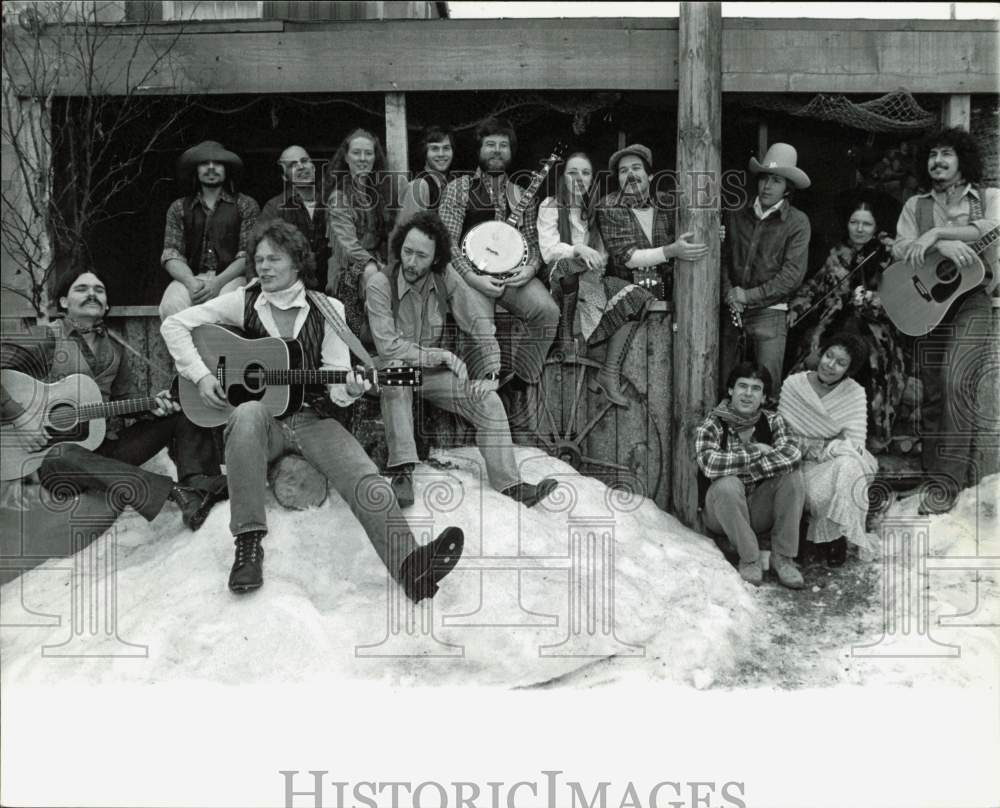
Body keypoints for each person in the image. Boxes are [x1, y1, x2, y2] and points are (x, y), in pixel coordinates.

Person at [161, 219, 464, 601]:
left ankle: (412, 568)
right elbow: (174, 326)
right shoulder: (244, 300)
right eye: (259, 259)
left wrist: (351, 389)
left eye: (275, 258)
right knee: (248, 412)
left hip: (310, 418)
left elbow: (337, 388)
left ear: (297, 263)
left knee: (364, 477)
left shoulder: (328, 309)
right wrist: (203, 377)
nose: (264, 267)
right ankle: (248, 546)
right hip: (261, 427)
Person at [2, 269, 224, 530]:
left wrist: (152, 407)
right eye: (81, 289)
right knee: (62, 453)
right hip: (52, 462)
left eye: (99, 290)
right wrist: (21, 417)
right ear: (63, 302)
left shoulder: (114, 348)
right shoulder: (47, 338)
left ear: (107, 304)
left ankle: (200, 485)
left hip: (105, 448)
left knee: (181, 410)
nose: (92, 294)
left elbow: (124, 399)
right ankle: (174, 491)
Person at [366, 211, 558, 509]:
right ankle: (402, 472)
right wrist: (439, 355)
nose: (412, 262)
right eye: (407, 252)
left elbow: (477, 321)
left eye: (421, 255)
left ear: (436, 258)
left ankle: (511, 484)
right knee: (396, 375)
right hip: (386, 371)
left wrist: (492, 367)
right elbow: (389, 347)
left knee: (487, 400)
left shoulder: (445, 277)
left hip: (429, 376)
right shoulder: (380, 283)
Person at [892, 127, 999, 514]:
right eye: (932, 154)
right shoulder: (915, 205)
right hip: (931, 304)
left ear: (962, 159)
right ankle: (933, 476)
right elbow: (902, 246)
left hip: (971, 301)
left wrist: (938, 230)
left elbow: (991, 230)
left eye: (946, 154)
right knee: (934, 389)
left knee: (957, 382)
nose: (937, 161)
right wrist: (940, 245)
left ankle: (947, 487)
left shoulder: (988, 198)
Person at [438, 117, 560, 400]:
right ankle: (477, 396)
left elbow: (533, 241)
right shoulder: (460, 188)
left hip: (513, 277)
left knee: (547, 311)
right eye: (490, 144)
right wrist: (472, 278)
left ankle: (520, 378)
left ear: (511, 151)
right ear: (479, 150)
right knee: (481, 327)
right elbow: (447, 242)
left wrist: (530, 270)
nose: (496, 150)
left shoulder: (521, 193)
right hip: (470, 276)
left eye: (503, 145)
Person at [787, 193, 905, 451]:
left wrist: (874, 300)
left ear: (876, 227)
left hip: (875, 331)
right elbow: (814, 287)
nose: (859, 229)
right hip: (837, 324)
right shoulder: (837, 254)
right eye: (854, 222)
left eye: (867, 224)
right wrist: (796, 308)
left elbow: (902, 298)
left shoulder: (888, 254)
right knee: (814, 355)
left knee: (869, 363)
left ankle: (865, 435)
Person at [537, 151, 656, 405]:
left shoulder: (595, 211)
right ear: (563, 177)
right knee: (569, 268)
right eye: (572, 172)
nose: (579, 178)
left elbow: (602, 256)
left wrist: (598, 264)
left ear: (592, 180)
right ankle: (567, 337)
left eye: (585, 173)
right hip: (559, 281)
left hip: (589, 281)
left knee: (636, 295)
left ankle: (609, 372)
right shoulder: (550, 206)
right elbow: (548, 252)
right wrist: (578, 249)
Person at [695, 361, 805, 588]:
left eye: (756, 389)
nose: (748, 394)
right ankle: (750, 558)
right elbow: (709, 464)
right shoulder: (714, 422)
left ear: (764, 397)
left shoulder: (773, 420)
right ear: (730, 390)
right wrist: (754, 452)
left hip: (758, 508)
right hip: (722, 511)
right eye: (742, 386)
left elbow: (792, 455)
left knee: (792, 477)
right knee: (727, 484)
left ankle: (783, 558)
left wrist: (744, 467)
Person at [778, 333, 879, 567]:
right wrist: (822, 444)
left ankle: (837, 535)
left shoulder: (854, 392)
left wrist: (825, 448)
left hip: (830, 463)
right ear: (820, 353)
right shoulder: (793, 385)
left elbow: (854, 445)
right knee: (834, 470)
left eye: (840, 363)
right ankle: (812, 534)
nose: (830, 365)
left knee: (852, 465)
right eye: (828, 356)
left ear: (849, 370)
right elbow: (782, 437)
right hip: (796, 466)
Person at [721, 143, 812, 394]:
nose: (767, 186)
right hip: (733, 310)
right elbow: (723, 259)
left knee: (767, 387)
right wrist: (730, 294)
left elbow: (791, 276)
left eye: (776, 181)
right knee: (725, 383)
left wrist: (748, 296)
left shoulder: (797, 222)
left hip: (770, 314)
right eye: (764, 179)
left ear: (787, 189)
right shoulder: (736, 214)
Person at [159, 140, 260, 320]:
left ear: (226, 169)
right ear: (196, 170)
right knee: (170, 306)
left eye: (217, 163)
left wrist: (217, 283)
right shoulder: (178, 207)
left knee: (228, 307)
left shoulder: (246, 205)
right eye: (205, 164)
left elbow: (248, 255)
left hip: (231, 279)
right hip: (191, 278)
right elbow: (170, 254)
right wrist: (191, 283)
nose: (211, 168)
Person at [597, 143, 709, 295]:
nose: (630, 175)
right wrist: (672, 250)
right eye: (623, 171)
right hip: (627, 300)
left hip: (674, 294)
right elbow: (628, 257)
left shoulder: (667, 202)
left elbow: (691, 233)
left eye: (636, 168)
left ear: (650, 176)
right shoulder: (609, 206)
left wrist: (712, 231)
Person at [324, 128, 401, 341]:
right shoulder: (339, 197)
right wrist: (375, 266)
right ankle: (381, 338)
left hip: (379, 261)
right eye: (357, 153)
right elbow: (347, 246)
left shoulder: (380, 191)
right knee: (371, 272)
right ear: (346, 157)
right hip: (347, 269)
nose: (363, 158)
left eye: (368, 153)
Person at [258, 144, 330, 282]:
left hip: (332, 284)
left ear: (313, 167)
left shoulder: (334, 200)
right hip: (292, 284)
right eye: (292, 165)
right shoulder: (274, 207)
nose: (301, 167)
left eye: (304, 161)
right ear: (285, 177)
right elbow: (257, 250)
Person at [394, 126, 456, 231]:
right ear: (425, 153)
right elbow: (404, 234)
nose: (441, 154)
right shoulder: (419, 186)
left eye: (446, 148)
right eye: (434, 149)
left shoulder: (448, 184)